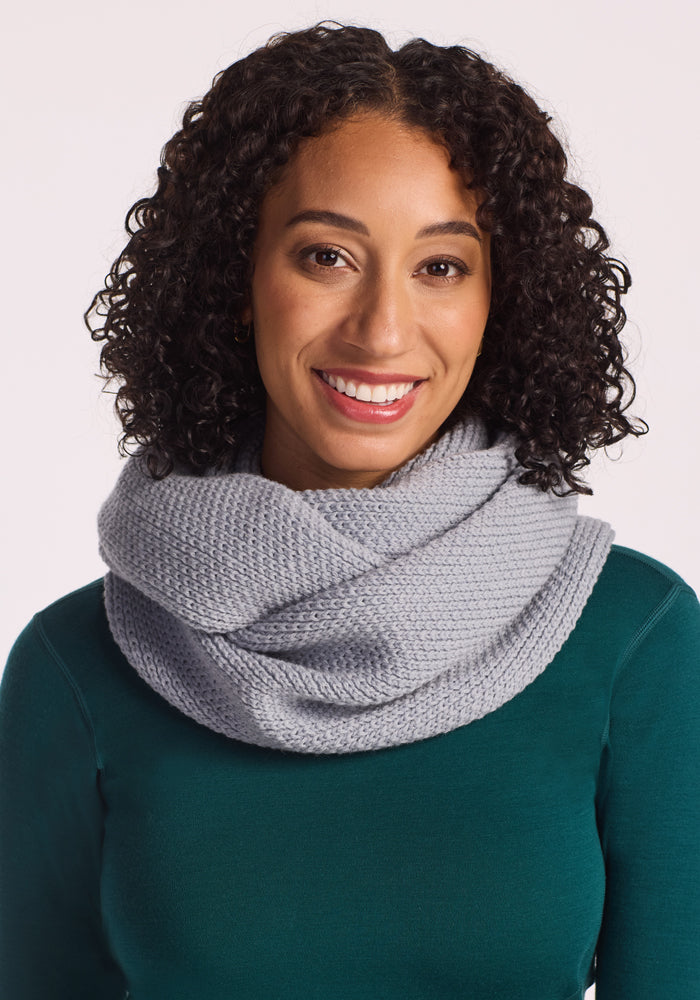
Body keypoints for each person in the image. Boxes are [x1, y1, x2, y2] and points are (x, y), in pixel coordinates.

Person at [1, 20, 698, 999]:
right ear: (236, 279)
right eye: (325, 256)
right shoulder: (77, 666)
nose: (380, 329)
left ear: (504, 300)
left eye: (441, 267)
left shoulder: (630, 641)